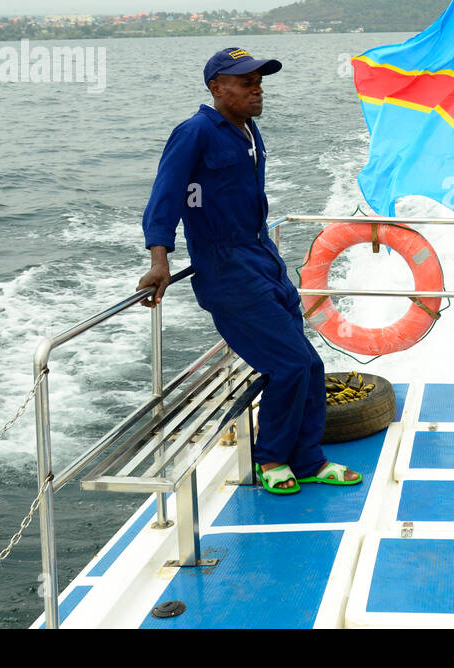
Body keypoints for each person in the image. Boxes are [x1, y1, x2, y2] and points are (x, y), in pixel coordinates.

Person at [137, 47, 360, 495]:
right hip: (226, 269)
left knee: (310, 366)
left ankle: (308, 458)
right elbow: (165, 196)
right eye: (246, 82)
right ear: (217, 88)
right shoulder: (195, 132)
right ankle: (271, 459)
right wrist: (159, 259)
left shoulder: (247, 131)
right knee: (289, 365)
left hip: (262, 259)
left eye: (260, 81)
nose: (257, 89)